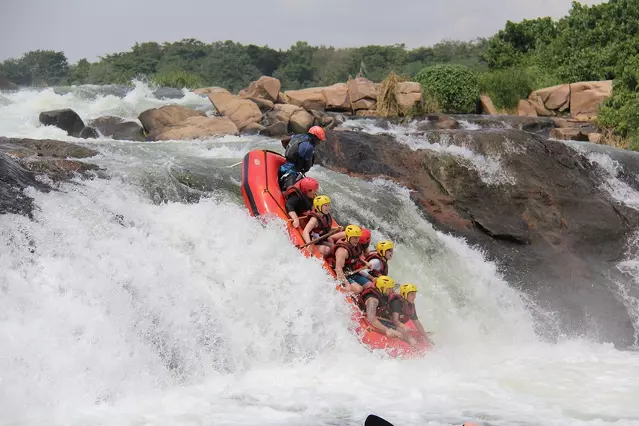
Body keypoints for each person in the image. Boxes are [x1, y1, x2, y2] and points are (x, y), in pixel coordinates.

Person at [279, 126, 326, 191]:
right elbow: (307, 167)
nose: (319, 142)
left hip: (284, 167)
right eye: (319, 140)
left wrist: (290, 152)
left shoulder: (299, 136)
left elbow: (283, 140)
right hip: (292, 173)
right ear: (314, 138)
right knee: (292, 192)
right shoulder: (309, 147)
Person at [358, 275, 403, 339]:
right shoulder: (372, 300)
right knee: (401, 332)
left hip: (380, 315)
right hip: (369, 318)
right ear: (382, 288)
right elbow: (371, 319)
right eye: (390, 288)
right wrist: (387, 330)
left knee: (402, 330)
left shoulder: (383, 292)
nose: (392, 290)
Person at [331, 224, 368, 293]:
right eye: (354, 238)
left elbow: (357, 256)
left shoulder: (355, 245)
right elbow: (338, 269)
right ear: (348, 237)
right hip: (341, 273)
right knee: (359, 289)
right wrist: (347, 284)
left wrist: (365, 263)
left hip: (350, 272)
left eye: (358, 237)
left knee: (369, 285)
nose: (357, 240)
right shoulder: (342, 251)